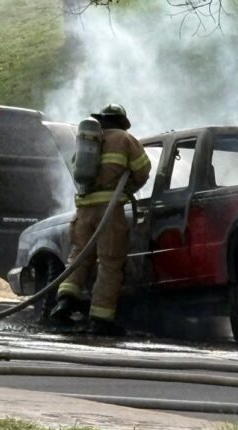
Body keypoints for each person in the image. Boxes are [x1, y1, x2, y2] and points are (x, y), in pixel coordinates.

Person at [50, 104, 151, 335]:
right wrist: (128, 188)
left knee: (78, 258)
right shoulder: (126, 139)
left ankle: (64, 302)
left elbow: (77, 171)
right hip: (109, 211)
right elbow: (143, 169)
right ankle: (100, 319)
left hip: (83, 210)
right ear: (121, 122)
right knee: (110, 264)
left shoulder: (90, 142)